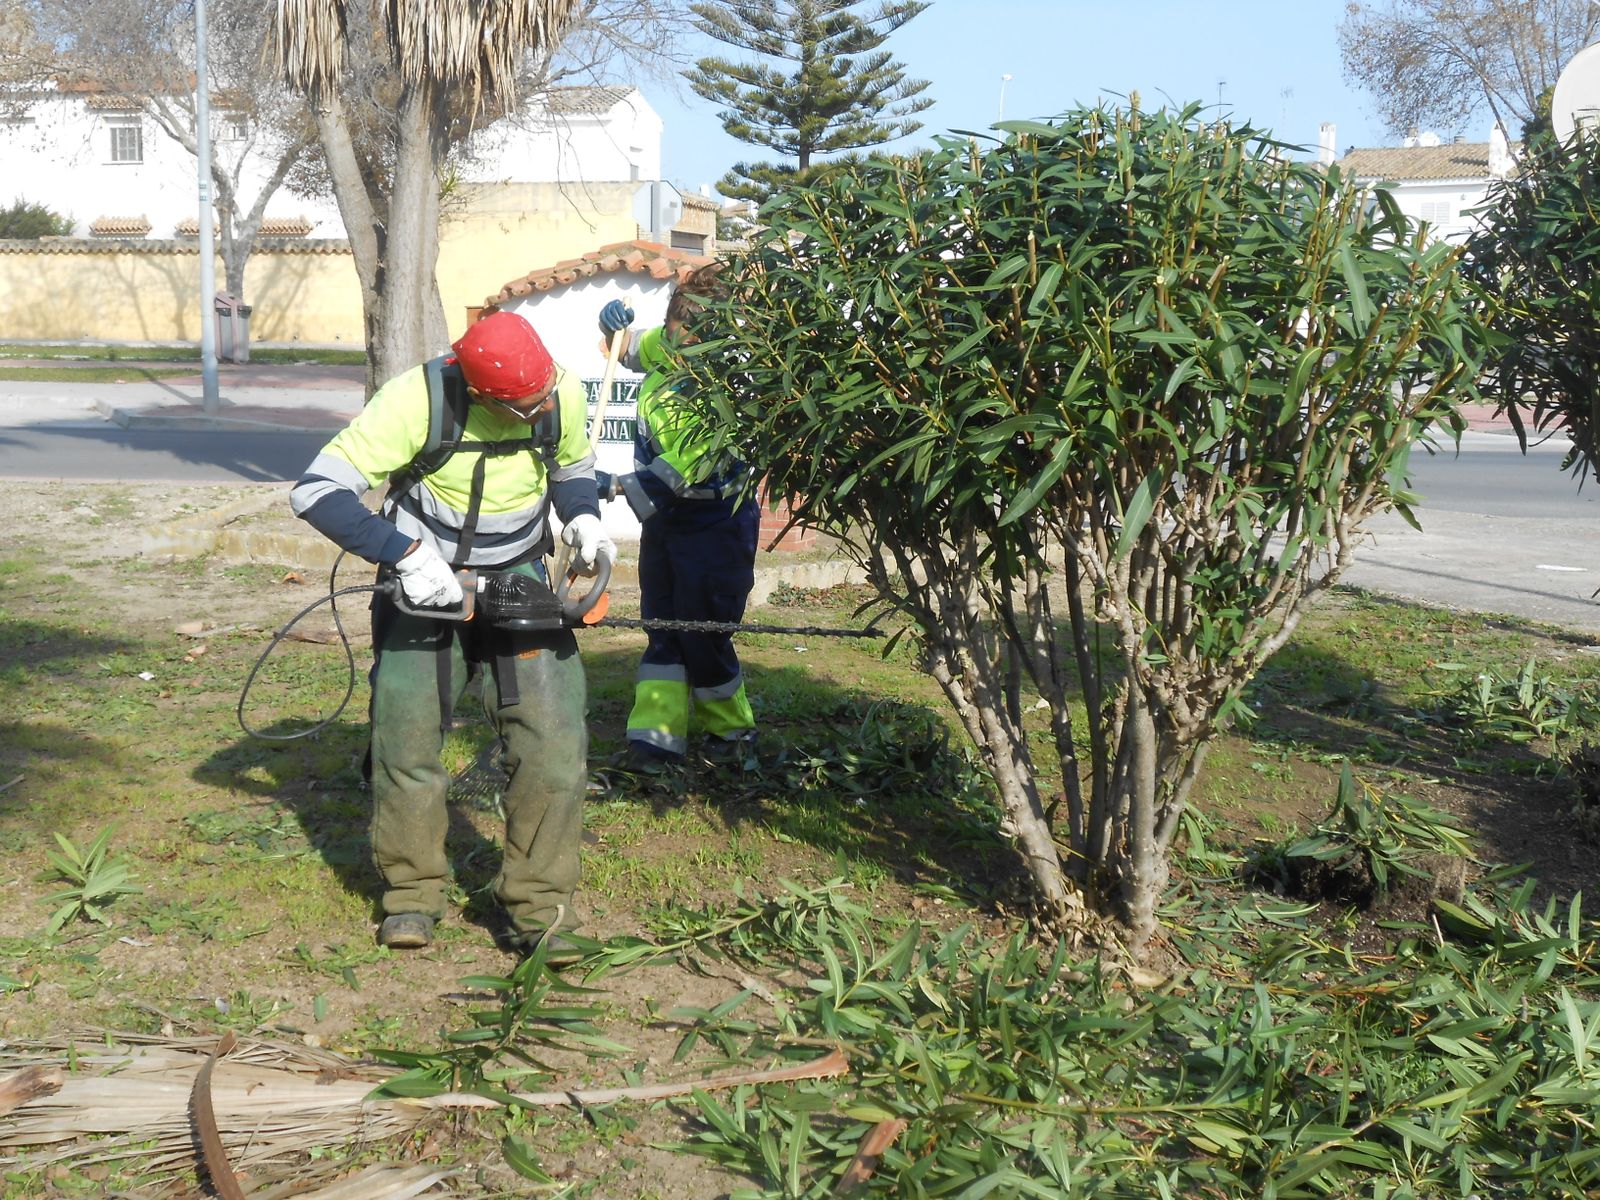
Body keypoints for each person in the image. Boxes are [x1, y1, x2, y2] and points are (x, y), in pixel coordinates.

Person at [290, 310, 614, 954]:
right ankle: (411, 897)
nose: (543, 406)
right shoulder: (415, 400)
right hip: (425, 580)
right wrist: (404, 555)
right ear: (478, 391)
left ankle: (540, 906)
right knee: (405, 741)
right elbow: (315, 491)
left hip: (519, 574)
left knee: (553, 742)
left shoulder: (563, 391)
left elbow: (573, 469)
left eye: (545, 394)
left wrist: (582, 518)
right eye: (525, 406)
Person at [595, 265, 760, 764]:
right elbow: (622, 349)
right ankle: (656, 740)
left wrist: (616, 485)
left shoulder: (729, 381)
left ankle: (731, 737)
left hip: (717, 524)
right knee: (663, 625)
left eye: (697, 332)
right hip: (666, 524)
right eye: (677, 327)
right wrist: (611, 326)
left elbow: (688, 466)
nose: (683, 341)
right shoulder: (665, 347)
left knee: (704, 630)